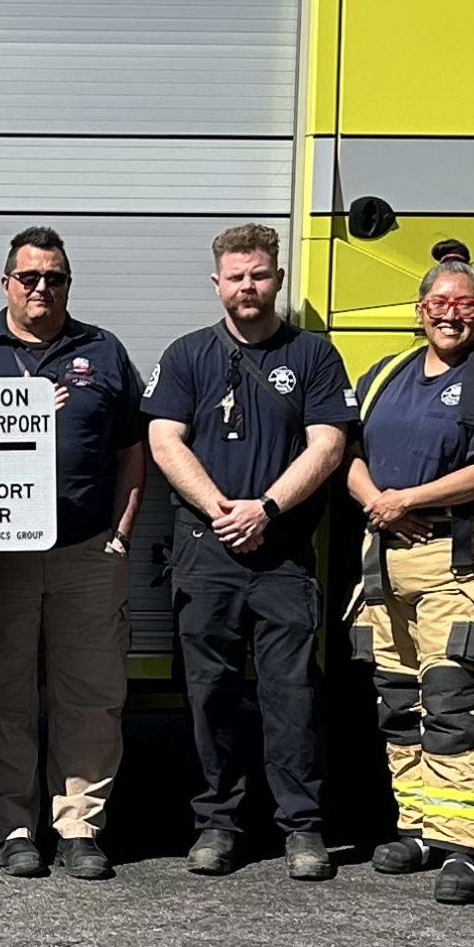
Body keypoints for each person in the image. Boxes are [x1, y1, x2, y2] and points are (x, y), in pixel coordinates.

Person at [143, 222, 357, 879]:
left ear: (278, 279)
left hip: (283, 552)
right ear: (217, 284)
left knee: (292, 694)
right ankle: (218, 824)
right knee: (210, 693)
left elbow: (328, 444)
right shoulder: (186, 355)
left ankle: (302, 829)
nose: (247, 286)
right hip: (207, 551)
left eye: (259, 275)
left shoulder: (314, 356)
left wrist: (265, 509)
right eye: (235, 277)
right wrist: (221, 510)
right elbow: (163, 440)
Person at [0, 226, 146, 881]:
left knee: (91, 696)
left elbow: (131, 451)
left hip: (87, 553)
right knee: (1, 695)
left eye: (54, 277)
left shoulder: (103, 351)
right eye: (28, 277)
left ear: (67, 284)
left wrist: (121, 531)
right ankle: (14, 829)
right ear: (6, 283)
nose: (40, 288)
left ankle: (80, 826)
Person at [340, 253, 474, 904]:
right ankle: (420, 829)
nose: (451, 315)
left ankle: (468, 849)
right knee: (400, 703)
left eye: (466, 305)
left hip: (465, 560)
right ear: (420, 311)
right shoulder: (386, 375)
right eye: (440, 304)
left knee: (458, 703)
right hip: (387, 560)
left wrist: (409, 501)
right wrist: (379, 502)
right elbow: (348, 454)